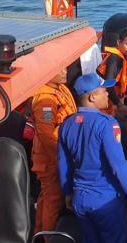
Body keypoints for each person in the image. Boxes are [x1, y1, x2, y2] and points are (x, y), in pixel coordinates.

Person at [58, 73, 127, 243]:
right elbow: (118, 164)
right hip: (106, 200)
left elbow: (63, 163)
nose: (107, 94)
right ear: (92, 97)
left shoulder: (66, 124)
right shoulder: (106, 124)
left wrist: (67, 192)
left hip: (80, 200)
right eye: (104, 91)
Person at [31, 67, 77, 234]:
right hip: (51, 159)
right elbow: (47, 135)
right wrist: (62, 160)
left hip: (60, 153)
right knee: (54, 201)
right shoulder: (45, 101)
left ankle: (39, 233)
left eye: (65, 68)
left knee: (46, 199)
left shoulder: (60, 88)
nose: (65, 72)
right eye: (59, 70)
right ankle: (49, 236)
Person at [97, 29, 127, 117]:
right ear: (119, 42)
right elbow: (108, 84)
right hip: (107, 100)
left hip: (114, 95)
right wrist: (119, 104)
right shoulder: (115, 60)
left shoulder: (122, 57)